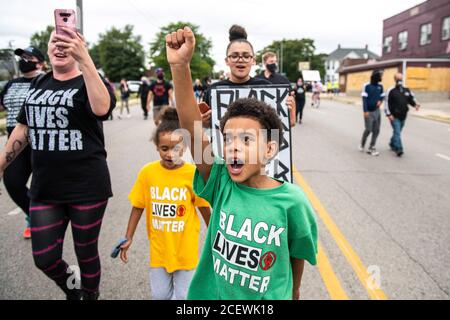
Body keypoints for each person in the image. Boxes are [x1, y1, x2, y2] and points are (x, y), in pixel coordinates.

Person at [166, 26, 318, 300]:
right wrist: (180, 66)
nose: (234, 145)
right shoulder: (221, 182)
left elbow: (297, 253)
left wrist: (294, 291)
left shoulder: (294, 201)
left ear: (270, 148)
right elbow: (191, 128)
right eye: (228, 139)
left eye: (247, 139)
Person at [0, 28, 116, 300]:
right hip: (45, 189)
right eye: (55, 41)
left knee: (86, 253)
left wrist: (86, 61)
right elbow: (21, 130)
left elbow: (102, 109)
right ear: (48, 48)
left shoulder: (90, 80)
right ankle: (73, 290)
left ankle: (90, 295)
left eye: (68, 42)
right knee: (44, 257)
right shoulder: (39, 83)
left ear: (80, 46)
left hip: (87, 186)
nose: (60, 47)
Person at [120, 107, 211, 300]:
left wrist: (216, 239)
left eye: (177, 148)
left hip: (185, 251)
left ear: (185, 147)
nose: (170, 154)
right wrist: (128, 237)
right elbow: (138, 205)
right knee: (160, 296)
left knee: (185, 297)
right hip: (159, 251)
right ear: (156, 147)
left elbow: (204, 208)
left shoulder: (192, 174)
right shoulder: (148, 173)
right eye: (164, 149)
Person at [0, 46, 46, 239]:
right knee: (12, 182)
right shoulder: (12, 84)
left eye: (29, 57)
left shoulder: (48, 80)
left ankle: (43, 220)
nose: (24, 60)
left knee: (41, 186)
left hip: (41, 142)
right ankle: (33, 215)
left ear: (41, 63)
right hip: (15, 143)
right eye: (22, 57)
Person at [255, 51, 296, 127]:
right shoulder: (256, 79)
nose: (274, 64)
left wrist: (292, 119)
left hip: (276, 121)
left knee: (273, 137)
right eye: (271, 61)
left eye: (275, 61)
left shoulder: (283, 80)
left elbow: (292, 98)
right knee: (260, 138)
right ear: (265, 62)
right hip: (258, 121)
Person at [385, 73, 420, 157]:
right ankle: (399, 149)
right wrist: (388, 114)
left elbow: (411, 99)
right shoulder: (391, 90)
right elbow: (387, 103)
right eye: (398, 78)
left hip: (403, 116)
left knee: (398, 132)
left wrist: (415, 105)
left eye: (401, 78)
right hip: (394, 116)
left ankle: (392, 143)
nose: (400, 80)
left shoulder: (406, 89)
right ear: (395, 79)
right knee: (397, 132)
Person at [359, 70, 385, 156]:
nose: (381, 77)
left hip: (377, 111)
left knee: (376, 130)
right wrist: (365, 111)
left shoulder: (380, 86)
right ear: (376, 76)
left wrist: (380, 101)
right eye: (380, 76)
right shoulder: (366, 86)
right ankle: (362, 143)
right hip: (368, 111)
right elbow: (364, 99)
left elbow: (382, 96)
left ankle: (372, 146)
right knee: (368, 129)